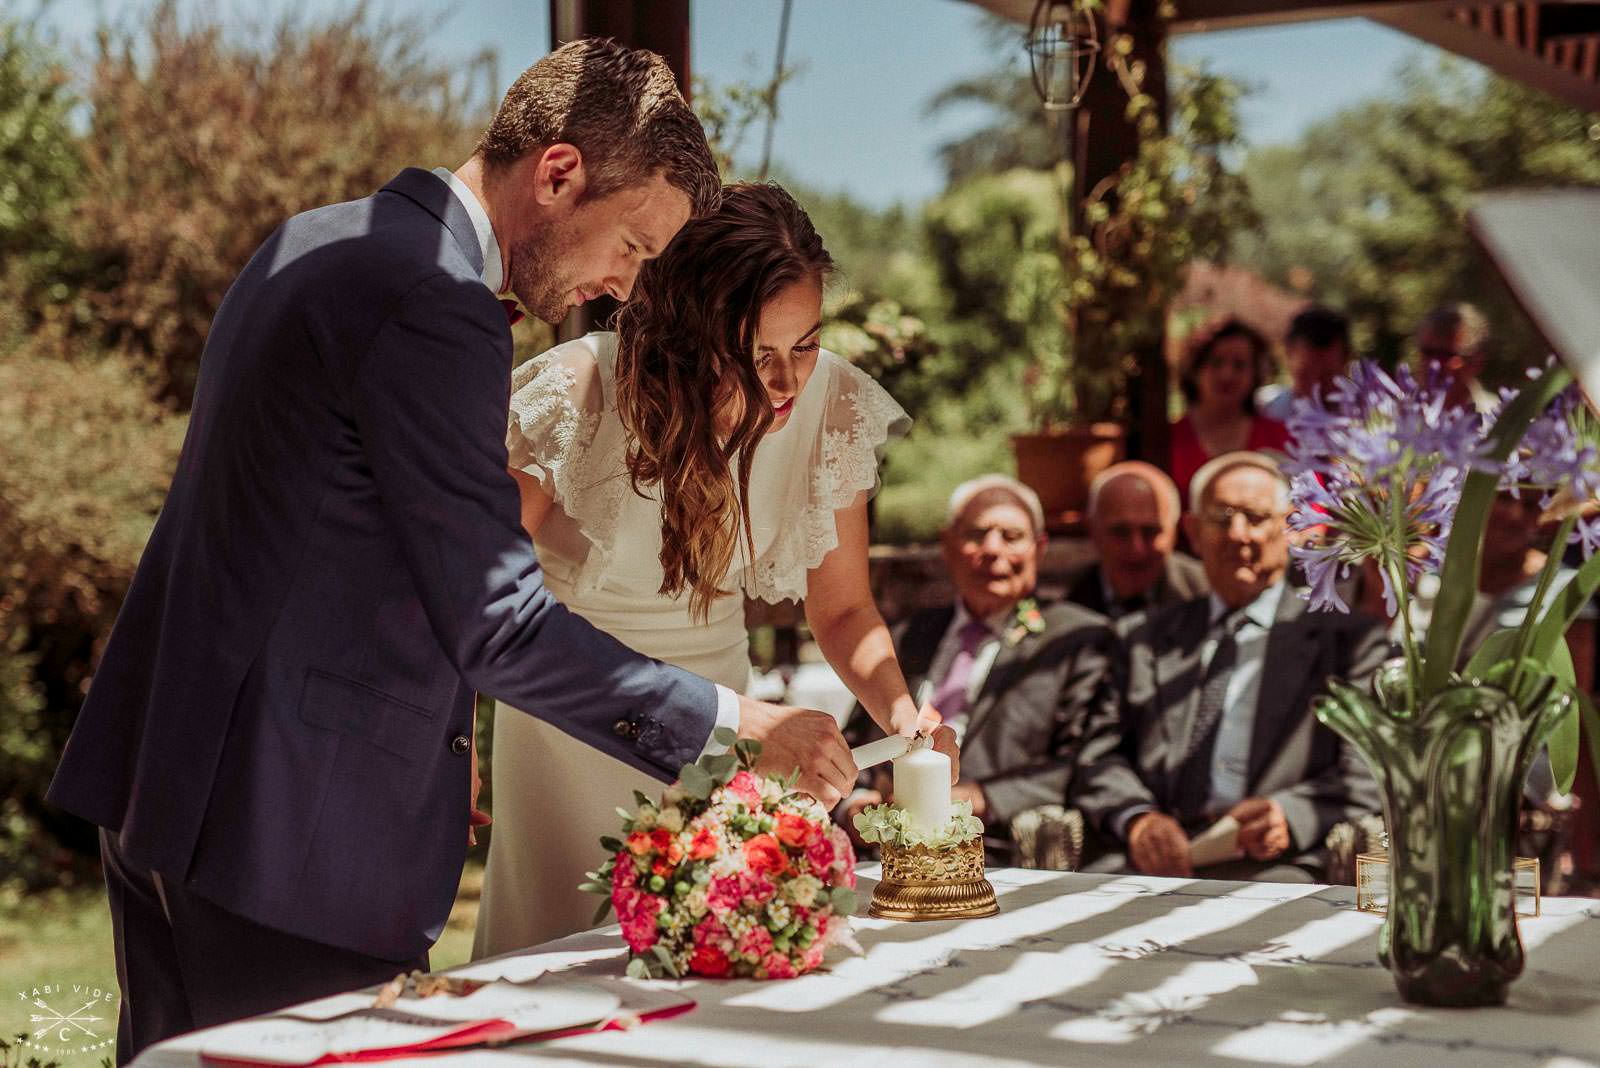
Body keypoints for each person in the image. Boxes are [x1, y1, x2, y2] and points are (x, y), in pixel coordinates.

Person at [45, 41, 857, 1064]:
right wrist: (742, 724)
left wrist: (439, 734)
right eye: (635, 245)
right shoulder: (438, 302)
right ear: (558, 174)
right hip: (290, 833)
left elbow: (320, 544)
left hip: (166, 789)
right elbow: (498, 617)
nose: (621, 285)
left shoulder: (316, 240)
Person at [473, 181, 955, 956]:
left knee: (724, 948)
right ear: (690, 332)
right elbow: (468, 591)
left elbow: (842, 611)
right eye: (757, 352)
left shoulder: (829, 405)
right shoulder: (579, 392)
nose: (788, 380)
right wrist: (452, 748)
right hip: (570, 727)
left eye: (806, 345)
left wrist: (904, 714)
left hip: (739, 731)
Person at [1073, 451, 1387, 883]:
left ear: (1290, 526)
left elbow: (1369, 768)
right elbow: (1098, 754)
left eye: (1256, 518)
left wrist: (1289, 814)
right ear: (1193, 532)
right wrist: (1137, 818)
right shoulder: (1142, 638)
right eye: (1221, 519)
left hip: (1276, 865)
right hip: (1151, 857)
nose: (1238, 535)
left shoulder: (1348, 642)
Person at [838, 476, 1112, 864]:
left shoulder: (1078, 639)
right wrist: (858, 804)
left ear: (1039, 548)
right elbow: (856, 740)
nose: (993, 550)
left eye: (1011, 536)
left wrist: (974, 797)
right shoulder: (908, 635)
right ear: (948, 546)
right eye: (977, 535)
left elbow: (1083, 762)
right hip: (883, 850)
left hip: (995, 851)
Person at [1168, 318, 1290, 512]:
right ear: (1195, 369)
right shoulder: (1166, 440)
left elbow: (1314, 511)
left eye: (1239, 365)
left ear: (1256, 374)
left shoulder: (1282, 438)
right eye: (1216, 363)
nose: (1227, 374)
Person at [1066, 461, 1208, 620]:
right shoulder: (1064, 600)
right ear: (1093, 531)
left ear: (1174, 532)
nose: (1136, 549)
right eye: (1120, 532)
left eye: (1150, 532)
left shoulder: (1207, 592)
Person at [1257, 304, 1352, 425]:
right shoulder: (1261, 411)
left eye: (1327, 377)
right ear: (1287, 354)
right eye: (1305, 376)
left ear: (1347, 360)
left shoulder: (1366, 419)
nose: (1315, 390)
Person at [1415, 301, 1494, 412]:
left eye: (1446, 354)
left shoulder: (1497, 418)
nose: (1434, 364)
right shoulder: (1394, 411)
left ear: (1476, 361)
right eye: (1428, 352)